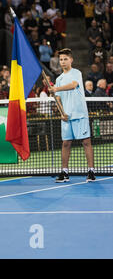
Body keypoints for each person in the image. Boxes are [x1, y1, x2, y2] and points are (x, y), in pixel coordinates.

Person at [49, 48, 95, 182]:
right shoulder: (58, 79)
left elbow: (73, 85)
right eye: (61, 60)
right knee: (65, 144)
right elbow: (58, 99)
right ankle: (64, 172)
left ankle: (91, 171)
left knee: (86, 142)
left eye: (65, 59)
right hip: (66, 117)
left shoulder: (76, 73)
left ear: (71, 60)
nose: (63, 62)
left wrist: (56, 88)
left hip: (80, 114)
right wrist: (61, 113)